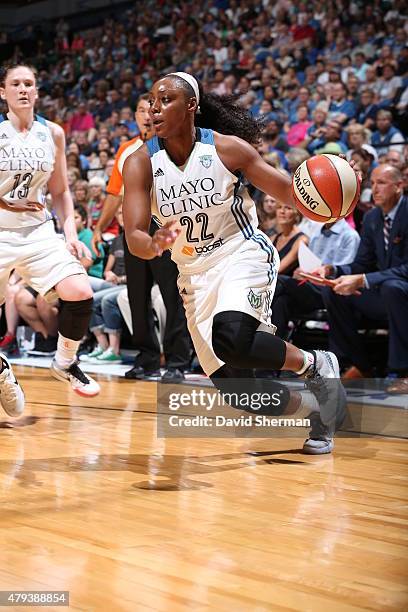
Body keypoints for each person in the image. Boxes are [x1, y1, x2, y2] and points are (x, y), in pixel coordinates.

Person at [122, 72, 356, 454]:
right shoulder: (140, 163)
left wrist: (335, 183)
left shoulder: (228, 150)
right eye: (152, 100)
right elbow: (134, 237)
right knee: (242, 395)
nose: (154, 107)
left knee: (230, 337)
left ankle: (315, 364)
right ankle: (318, 408)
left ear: (191, 106)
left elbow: (293, 195)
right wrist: (153, 243)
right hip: (193, 276)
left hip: (239, 252)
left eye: (166, 100)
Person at [0, 63, 100, 418]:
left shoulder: (53, 133)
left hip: (38, 231)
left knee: (79, 290)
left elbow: (60, 191)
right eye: (16, 84)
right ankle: (1, 371)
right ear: (3, 91)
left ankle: (65, 361)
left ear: (37, 91)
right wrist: (3, 201)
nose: (23, 89)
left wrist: (70, 234)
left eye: (29, 83)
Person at [92, 94, 191, 382]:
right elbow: (114, 193)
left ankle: (177, 361)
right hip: (132, 230)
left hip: (163, 229)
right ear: (135, 116)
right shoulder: (126, 149)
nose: (147, 114)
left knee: (172, 297)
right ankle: (146, 358)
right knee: (137, 298)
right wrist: (100, 226)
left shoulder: (171, 145)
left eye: (153, 109)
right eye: (141, 110)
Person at [320, 165, 408, 392]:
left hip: (399, 291)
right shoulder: (371, 217)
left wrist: (362, 280)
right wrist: (334, 271)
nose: (374, 189)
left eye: (382, 183)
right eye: (373, 183)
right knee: (333, 290)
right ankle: (358, 364)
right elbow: (361, 264)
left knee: (392, 287)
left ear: (399, 186)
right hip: (385, 291)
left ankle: (401, 372)